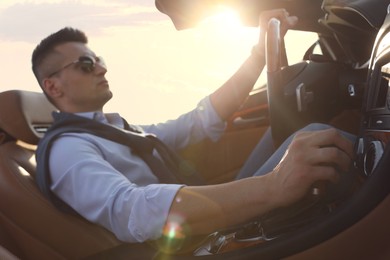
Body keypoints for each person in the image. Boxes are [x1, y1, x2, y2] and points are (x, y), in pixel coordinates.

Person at [31, 9, 354, 244]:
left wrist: (258, 55)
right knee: (311, 138)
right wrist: (273, 186)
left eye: (98, 58)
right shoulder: (67, 149)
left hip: (203, 231)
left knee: (295, 124)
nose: (101, 68)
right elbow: (130, 211)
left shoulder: (114, 129)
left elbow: (200, 121)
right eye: (86, 64)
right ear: (54, 87)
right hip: (197, 245)